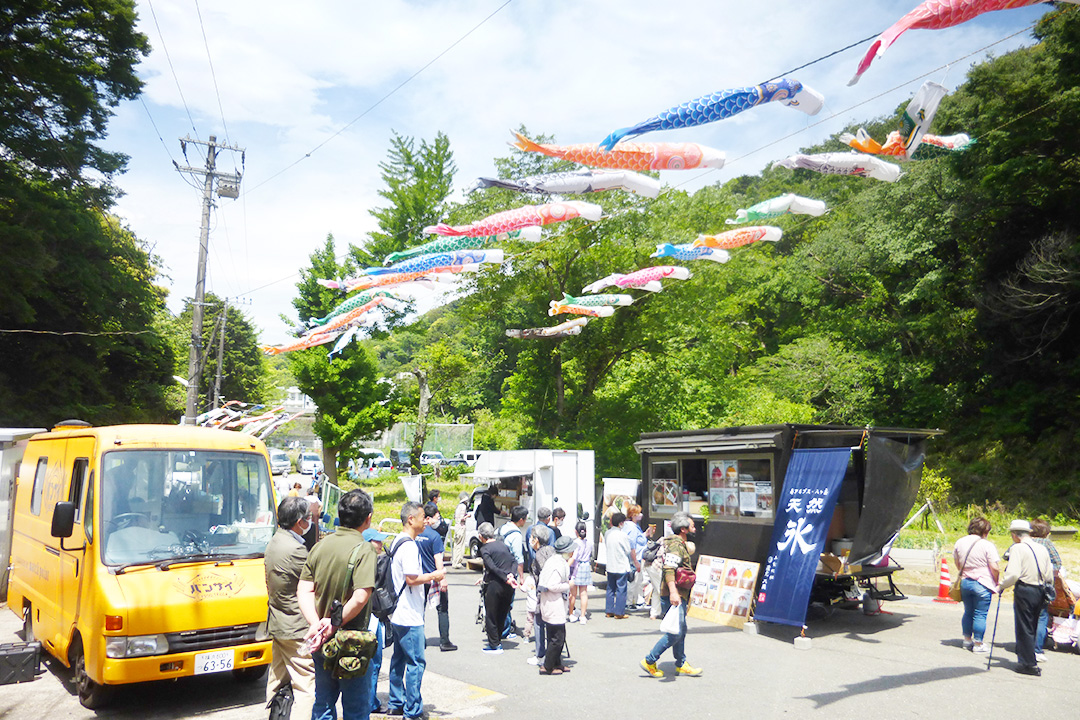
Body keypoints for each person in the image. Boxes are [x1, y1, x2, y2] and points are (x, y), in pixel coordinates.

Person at [298, 489, 378, 720]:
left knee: (323, 702)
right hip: (351, 642)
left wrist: (316, 625)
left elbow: (304, 589)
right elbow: (361, 596)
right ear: (368, 518)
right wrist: (333, 624)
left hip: (321, 641)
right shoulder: (364, 549)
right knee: (355, 708)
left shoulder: (320, 545)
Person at [387, 501, 445, 719]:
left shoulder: (397, 541)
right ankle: (412, 710)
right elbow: (411, 579)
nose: (426, 521)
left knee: (399, 659)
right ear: (411, 519)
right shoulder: (409, 545)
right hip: (409, 613)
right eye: (422, 517)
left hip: (397, 611)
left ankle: (396, 701)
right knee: (416, 662)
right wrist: (434, 575)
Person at [264, 496, 317, 720]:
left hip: (277, 621)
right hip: (295, 626)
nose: (311, 522)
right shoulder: (296, 550)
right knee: (305, 684)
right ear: (299, 521)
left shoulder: (275, 540)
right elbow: (314, 583)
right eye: (309, 519)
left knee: (277, 679)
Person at [641, 511, 703, 678]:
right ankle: (650, 660)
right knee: (675, 632)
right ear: (683, 529)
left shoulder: (676, 542)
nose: (694, 528)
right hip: (673, 594)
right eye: (691, 525)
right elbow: (669, 569)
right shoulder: (676, 545)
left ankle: (681, 663)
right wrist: (674, 593)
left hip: (676, 593)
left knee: (681, 629)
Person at [998, 519, 1054, 676]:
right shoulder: (1042, 548)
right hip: (1041, 590)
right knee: (1034, 625)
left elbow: (1014, 573)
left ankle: (1027, 663)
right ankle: (1032, 658)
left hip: (1025, 589)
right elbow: (1049, 573)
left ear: (1014, 534)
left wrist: (1002, 585)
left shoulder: (1017, 548)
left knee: (1024, 627)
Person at [952, 516, 999, 653]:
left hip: (966, 582)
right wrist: (995, 581)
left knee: (968, 612)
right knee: (980, 614)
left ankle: (967, 640)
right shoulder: (987, 545)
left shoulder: (960, 542)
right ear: (985, 531)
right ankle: (978, 644)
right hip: (982, 582)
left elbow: (957, 562)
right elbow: (994, 567)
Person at [419, 501, 457, 652]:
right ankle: (445, 641)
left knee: (419, 610)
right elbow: (438, 560)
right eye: (436, 517)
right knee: (442, 609)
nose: (438, 521)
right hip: (434, 577)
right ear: (427, 518)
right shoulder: (434, 537)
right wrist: (443, 579)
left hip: (419, 578)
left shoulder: (415, 535)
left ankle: (419, 641)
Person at [477, 522, 518, 654]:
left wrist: (505, 578)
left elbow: (492, 567)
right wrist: (511, 575)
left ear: (480, 536)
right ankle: (498, 640)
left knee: (491, 615)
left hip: (495, 585)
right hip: (509, 586)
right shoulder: (503, 545)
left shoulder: (485, 549)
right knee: (502, 614)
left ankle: (494, 644)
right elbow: (514, 561)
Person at [361, 528, 390, 715]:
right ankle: (370, 701)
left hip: (373, 617)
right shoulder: (369, 563)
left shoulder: (373, 560)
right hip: (370, 618)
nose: (380, 545)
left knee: (373, 663)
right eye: (376, 541)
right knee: (373, 663)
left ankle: (371, 699)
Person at [537, 535, 574, 675]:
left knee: (555, 635)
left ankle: (557, 663)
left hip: (549, 603)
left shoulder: (552, 560)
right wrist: (567, 585)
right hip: (554, 603)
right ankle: (548, 666)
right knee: (557, 638)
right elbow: (552, 585)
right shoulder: (558, 563)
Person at [1030, 518, 1062, 662]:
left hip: (1024, 583)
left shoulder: (1024, 542)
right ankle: (1037, 649)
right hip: (1042, 584)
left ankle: (1024, 646)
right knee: (1042, 617)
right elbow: (1057, 563)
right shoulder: (1047, 543)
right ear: (1046, 532)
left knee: (1025, 617)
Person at [498, 506, 528, 637]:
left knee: (498, 601)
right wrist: (521, 577)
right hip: (509, 571)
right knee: (507, 602)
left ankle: (498, 627)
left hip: (497, 568)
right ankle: (505, 630)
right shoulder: (515, 534)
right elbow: (518, 558)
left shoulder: (502, 528)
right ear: (521, 520)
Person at [527, 524, 555, 666]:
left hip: (543, 593)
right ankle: (551, 653)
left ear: (537, 539)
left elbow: (545, 573)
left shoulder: (539, 555)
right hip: (555, 593)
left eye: (532, 537)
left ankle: (540, 654)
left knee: (539, 623)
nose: (530, 540)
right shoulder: (552, 550)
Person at [604, 512, 636, 619]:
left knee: (610, 588)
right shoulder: (623, 535)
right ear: (621, 523)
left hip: (610, 565)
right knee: (621, 589)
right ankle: (619, 612)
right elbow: (628, 550)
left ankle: (609, 611)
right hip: (621, 565)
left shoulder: (607, 533)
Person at [624, 505, 648, 609]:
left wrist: (646, 533)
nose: (641, 515)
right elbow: (632, 546)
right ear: (633, 515)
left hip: (635, 556)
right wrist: (635, 561)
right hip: (635, 557)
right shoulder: (632, 527)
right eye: (638, 513)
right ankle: (629, 603)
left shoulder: (632, 525)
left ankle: (637, 601)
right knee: (633, 581)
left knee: (637, 580)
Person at [567, 521, 592, 625]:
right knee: (584, 593)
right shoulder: (589, 542)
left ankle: (571, 614)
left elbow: (574, 557)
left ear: (575, 531)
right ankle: (582, 616)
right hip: (586, 567)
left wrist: (565, 566)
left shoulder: (575, 543)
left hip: (577, 568)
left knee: (573, 594)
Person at [451, 491, 470, 569]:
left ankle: (454, 561)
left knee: (456, 545)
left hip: (456, 527)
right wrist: (467, 516)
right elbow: (461, 518)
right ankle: (458, 562)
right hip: (461, 527)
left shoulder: (458, 506)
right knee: (460, 545)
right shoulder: (463, 507)